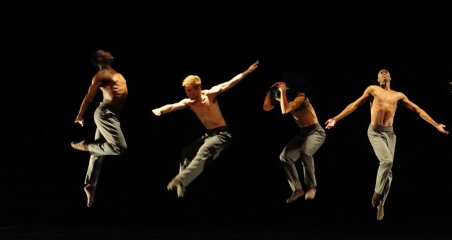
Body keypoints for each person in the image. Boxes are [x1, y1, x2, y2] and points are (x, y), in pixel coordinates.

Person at [324, 69, 448, 220]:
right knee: (387, 161)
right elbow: (354, 105)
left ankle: (381, 203)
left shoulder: (398, 95)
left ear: (390, 77)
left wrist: (436, 125)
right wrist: (336, 119)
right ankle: (376, 196)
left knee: (388, 170)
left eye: (386, 72)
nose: (383, 73)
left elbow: (418, 110)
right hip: (375, 131)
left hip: (389, 133)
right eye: (380, 73)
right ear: (378, 79)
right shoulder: (373, 89)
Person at [152, 60, 259, 198]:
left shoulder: (211, 95)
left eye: (190, 90)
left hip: (222, 134)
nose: (188, 94)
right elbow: (172, 106)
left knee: (203, 152)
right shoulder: (189, 103)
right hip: (209, 135)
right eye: (186, 91)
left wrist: (247, 72)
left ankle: (181, 179)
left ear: (198, 88)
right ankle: (183, 184)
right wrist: (160, 110)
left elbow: (230, 83)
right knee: (185, 153)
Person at [71, 49, 129, 208]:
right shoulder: (101, 75)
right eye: (104, 52)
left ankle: (90, 184)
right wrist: (80, 115)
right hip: (104, 114)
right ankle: (85, 146)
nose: (108, 51)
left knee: (98, 152)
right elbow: (89, 97)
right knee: (119, 148)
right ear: (100, 59)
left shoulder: (115, 73)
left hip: (112, 115)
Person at [263, 76, 326, 204]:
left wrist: (283, 91)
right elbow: (266, 107)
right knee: (285, 157)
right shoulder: (284, 98)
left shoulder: (301, 97)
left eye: (282, 91)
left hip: (316, 132)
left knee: (305, 152)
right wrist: (270, 90)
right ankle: (297, 189)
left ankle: (311, 187)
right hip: (303, 134)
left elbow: (285, 110)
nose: (279, 97)